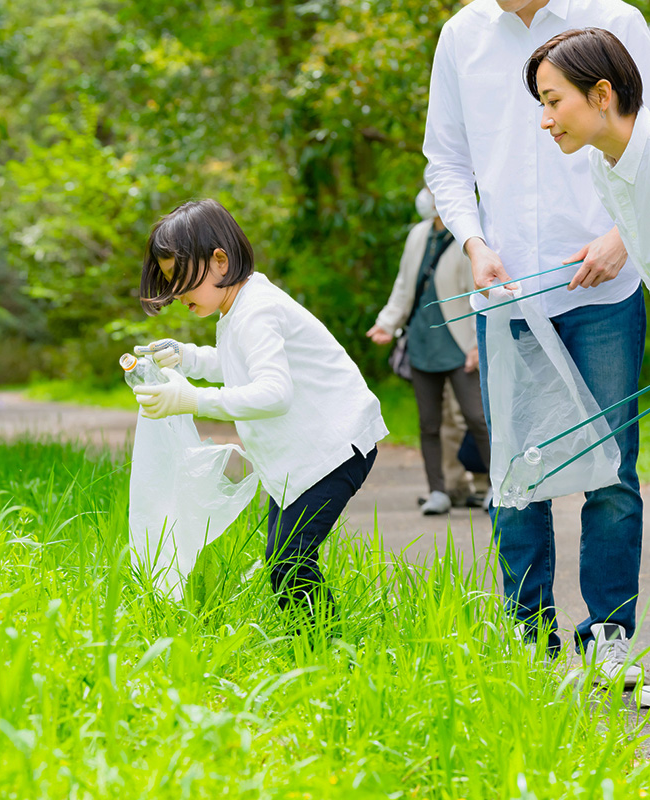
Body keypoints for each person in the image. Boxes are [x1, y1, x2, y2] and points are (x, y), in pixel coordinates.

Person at [423, 0, 650, 686]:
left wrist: (624, 235)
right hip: (509, 288)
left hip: (606, 283)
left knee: (611, 465)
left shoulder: (617, 18)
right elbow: (447, 161)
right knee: (517, 474)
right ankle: (531, 638)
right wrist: (474, 244)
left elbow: (642, 133)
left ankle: (609, 633)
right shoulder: (462, 35)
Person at [132, 199, 388, 631]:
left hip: (334, 449)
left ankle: (330, 650)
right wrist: (187, 357)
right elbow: (237, 365)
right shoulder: (240, 307)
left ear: (219, 260)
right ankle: (319, 646)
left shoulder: (256, 309)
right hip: (304, 456)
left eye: (180, 279)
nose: (176, 293)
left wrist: (192, 401)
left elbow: (273, 392)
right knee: (284, 560)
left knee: (288, 563)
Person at [366, 186, 491, 516]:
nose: (428, 196)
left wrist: (479, 344)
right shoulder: (419, 234)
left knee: (477, 417)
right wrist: (387, 323)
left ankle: (495, 486)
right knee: (429, 423)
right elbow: (405, 285)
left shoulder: (469, 237)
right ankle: (437, 490)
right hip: (422, 341)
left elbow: (480, 293)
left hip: (459, 343)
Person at [525, 28, 650, 284]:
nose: (545, 122)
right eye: (543, 104)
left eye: (554, 101)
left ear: (602, 95)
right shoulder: (601, 162)